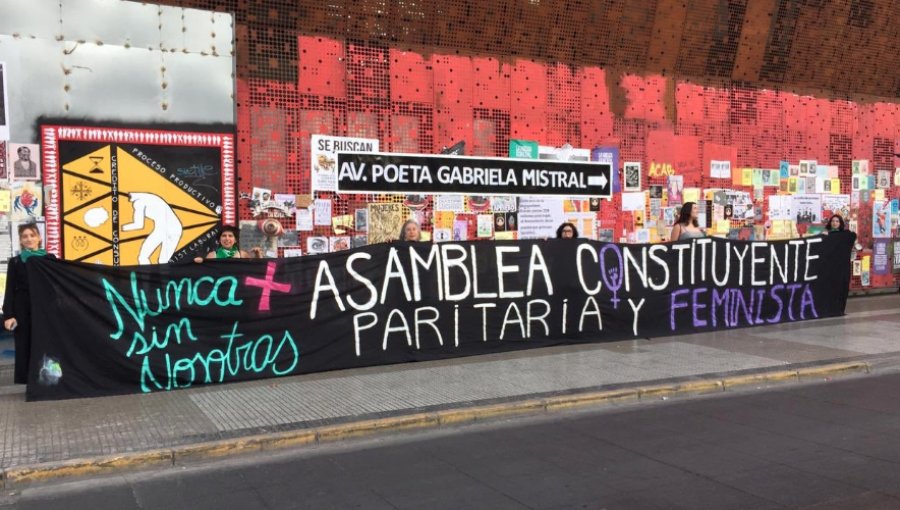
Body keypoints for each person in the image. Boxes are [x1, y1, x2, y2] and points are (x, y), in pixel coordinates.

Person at [3, 223, 55, 384]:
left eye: (32, 235)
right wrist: (9, 314)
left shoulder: (49, 259)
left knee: (46, 342)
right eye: (25, 236)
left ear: (39, 238)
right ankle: (28, 381)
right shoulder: (16, 262)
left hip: (44, 308)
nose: (29, 239)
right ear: (21, 240)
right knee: (25, 343)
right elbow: (10, 288)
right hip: (22, 308)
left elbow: (56, 286)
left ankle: (48, 379)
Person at [193, 225, 262, 262]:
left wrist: (258, 255)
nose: (227, 238)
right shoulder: (212, 255)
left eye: (230, 236)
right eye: (224, 236)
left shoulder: (242, 254)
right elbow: (206, 272)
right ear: (219, 240)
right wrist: (200, 262)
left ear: (235, 240)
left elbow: (256, 268)